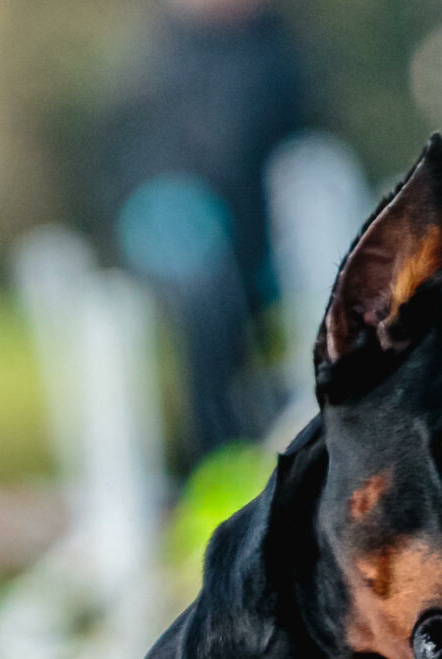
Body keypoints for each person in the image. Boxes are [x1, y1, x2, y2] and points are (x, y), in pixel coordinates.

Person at [93, 0, 312, 467]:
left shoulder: (278, 51)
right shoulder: (159, 54)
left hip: (262, 226)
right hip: (178, 218)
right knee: (206, 292)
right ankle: (212, 452)